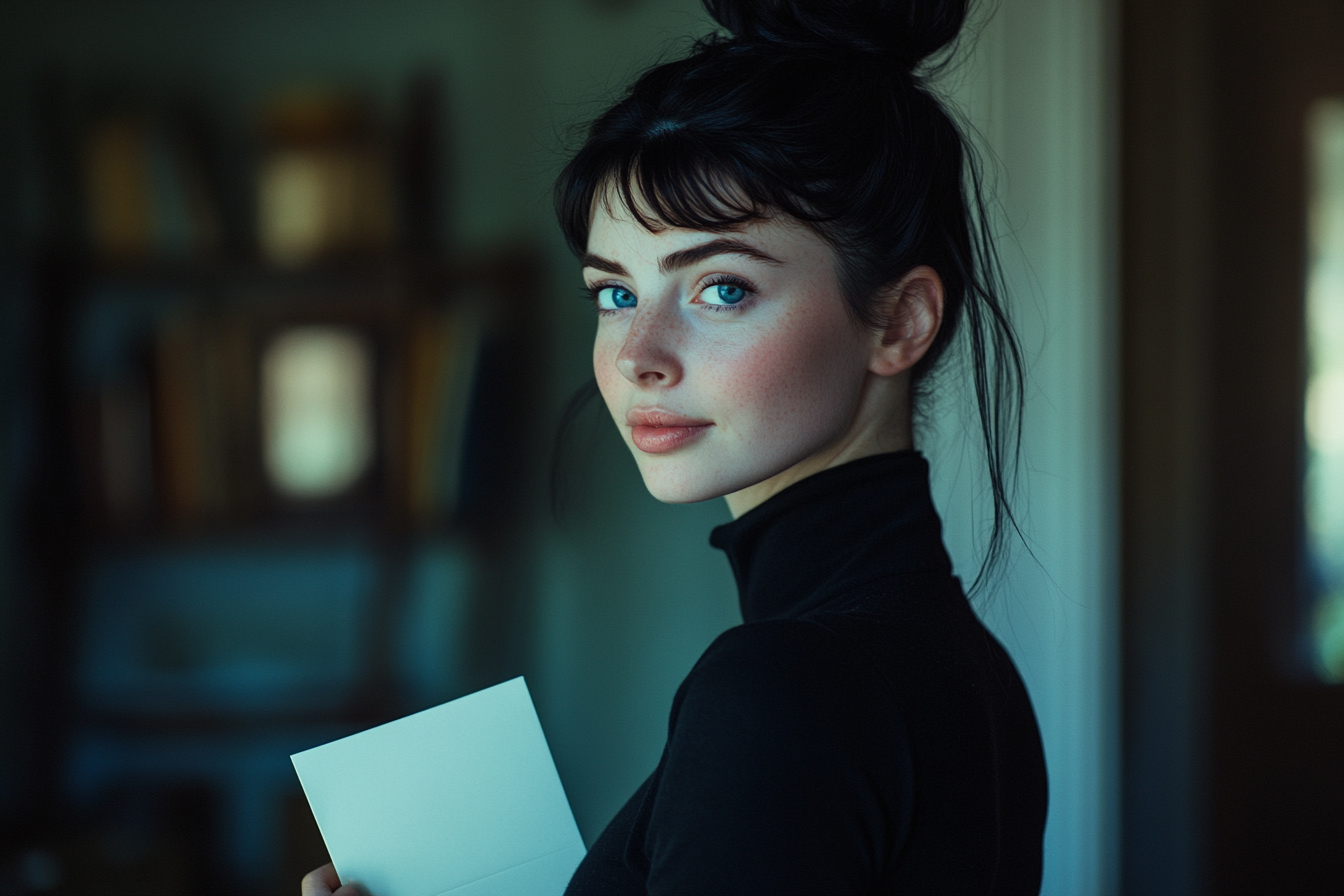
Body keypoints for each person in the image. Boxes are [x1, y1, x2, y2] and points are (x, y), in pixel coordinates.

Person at [305, 0, 1046, 893]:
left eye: (721, 289)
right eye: (615, 294)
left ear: (901, 320)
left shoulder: (782, 689)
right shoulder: (967, 667)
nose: (637, 357)